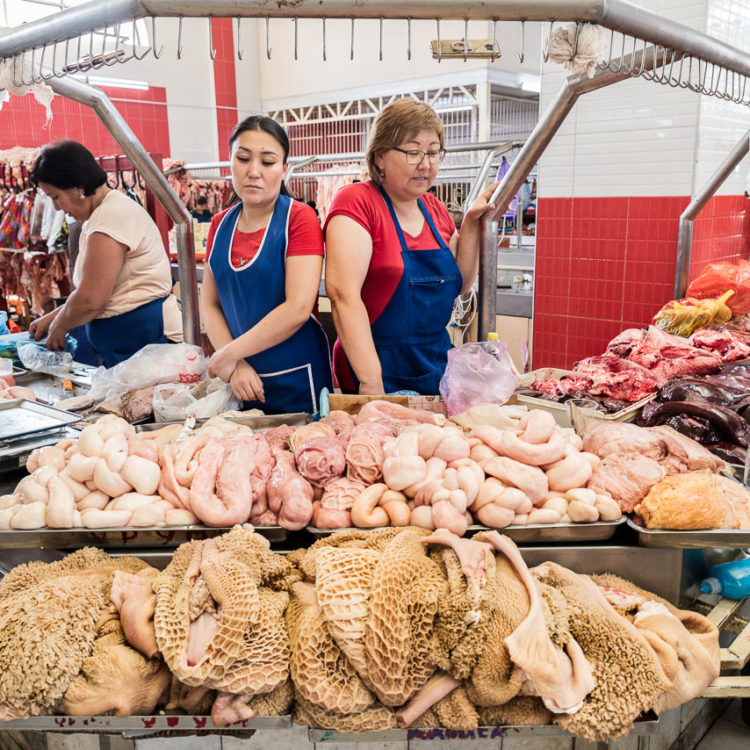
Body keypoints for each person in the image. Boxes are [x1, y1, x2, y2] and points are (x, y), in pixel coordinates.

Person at [324, 99, 500, 395]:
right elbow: (343, 296)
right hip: (374, 366)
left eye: (433, 152)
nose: (426, 164)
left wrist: (470, 223)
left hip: (434, 366)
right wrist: (371, 382)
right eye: (413, 152)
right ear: (380, 156)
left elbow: (461, 282)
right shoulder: (357, 202)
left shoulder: (434, 209)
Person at [201, 115, 332, 414]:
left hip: (299, 380)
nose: (254, 172)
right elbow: (209, 304)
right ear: (230, 162)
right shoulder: (220, 225)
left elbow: (297, 307)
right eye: (243, 158)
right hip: (241, 382)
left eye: (268, 162)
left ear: (285, 169)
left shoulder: (299, 219)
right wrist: (235, 367)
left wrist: (229, 355)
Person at [29, 140, 182, 367]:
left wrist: (60, 325)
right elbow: (104, 288)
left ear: (77, 187)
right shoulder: (104, 214)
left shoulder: (111, 218)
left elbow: (92, 298)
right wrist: (55, 316)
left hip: (146, 342)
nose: (58, 208)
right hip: (130, 343)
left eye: (55, 197)